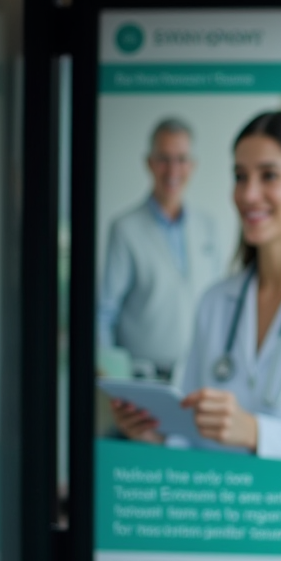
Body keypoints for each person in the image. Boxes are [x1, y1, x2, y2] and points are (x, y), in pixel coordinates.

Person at [112, 111, 281, 465]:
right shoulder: (215, 302)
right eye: (240, 176)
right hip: (224, 512)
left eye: (268, 175)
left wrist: (256, 433)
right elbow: (192, 435)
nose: (248, 194)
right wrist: (158, 437)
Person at [97, 118, 222, 381]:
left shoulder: (207, 227)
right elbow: (105, 311)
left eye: (181, 159)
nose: (173, 170)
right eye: (164, 159)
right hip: (142, 378)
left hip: (196, 376)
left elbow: (218, 304)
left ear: (192, 165)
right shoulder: (125, 229)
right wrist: (110, 375)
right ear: (149, 163)